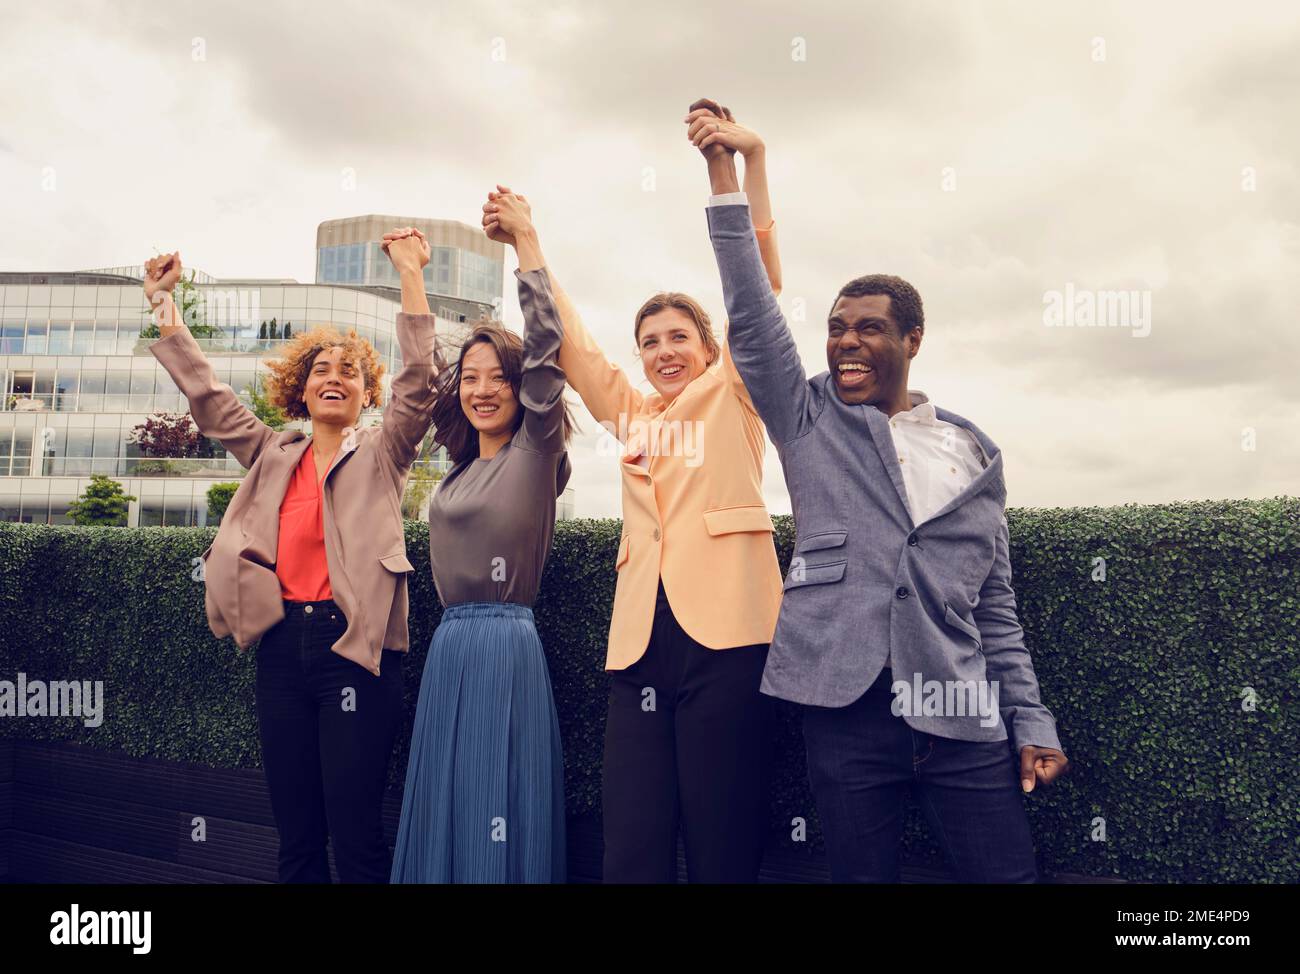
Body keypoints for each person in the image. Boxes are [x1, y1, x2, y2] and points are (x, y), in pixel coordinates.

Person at [696, 129, 1070, 882]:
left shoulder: (973, 456)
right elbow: (752, 309)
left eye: (868, 328)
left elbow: (995, 609)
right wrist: (723, 171)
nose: (846, 344)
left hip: (960, 714)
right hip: (847, 713)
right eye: (835, 329)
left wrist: (1030, 720)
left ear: (913, 339)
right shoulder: (807, 419)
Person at [489, 99, 784, 884]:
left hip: (728, 639)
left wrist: (737, 167)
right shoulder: (635, 414)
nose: (663, 352)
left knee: (723, 838)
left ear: (710, 346)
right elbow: (576, 346)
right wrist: (528, 243)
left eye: (678, 337)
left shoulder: (738, 390)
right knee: (634, 840)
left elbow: (757, 294)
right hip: (641, 644)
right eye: (650, 342)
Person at [144, 231, 443, 883]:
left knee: (356, 835)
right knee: (298, 836)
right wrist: (164, 305)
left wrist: (412, 274)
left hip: (355, 655)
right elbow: (210, 399)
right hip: (282, 652)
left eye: (350, 373)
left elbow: (420, 383)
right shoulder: (273, 451)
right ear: (300, 391)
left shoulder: (386, 453)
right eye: (321, 371)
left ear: (366, 395)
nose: (335, 379)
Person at [387, 198, 575, 884]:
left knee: (496, 799)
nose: (482, 388)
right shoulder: (461, 468)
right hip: (449, 649)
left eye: (499, 376)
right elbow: (422, 371)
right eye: (472, 378)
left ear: (520, 386)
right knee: (448, 804)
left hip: (504, 645)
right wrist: (411, 274)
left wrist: (526, 237)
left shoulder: (536, 450)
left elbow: (548, 346)